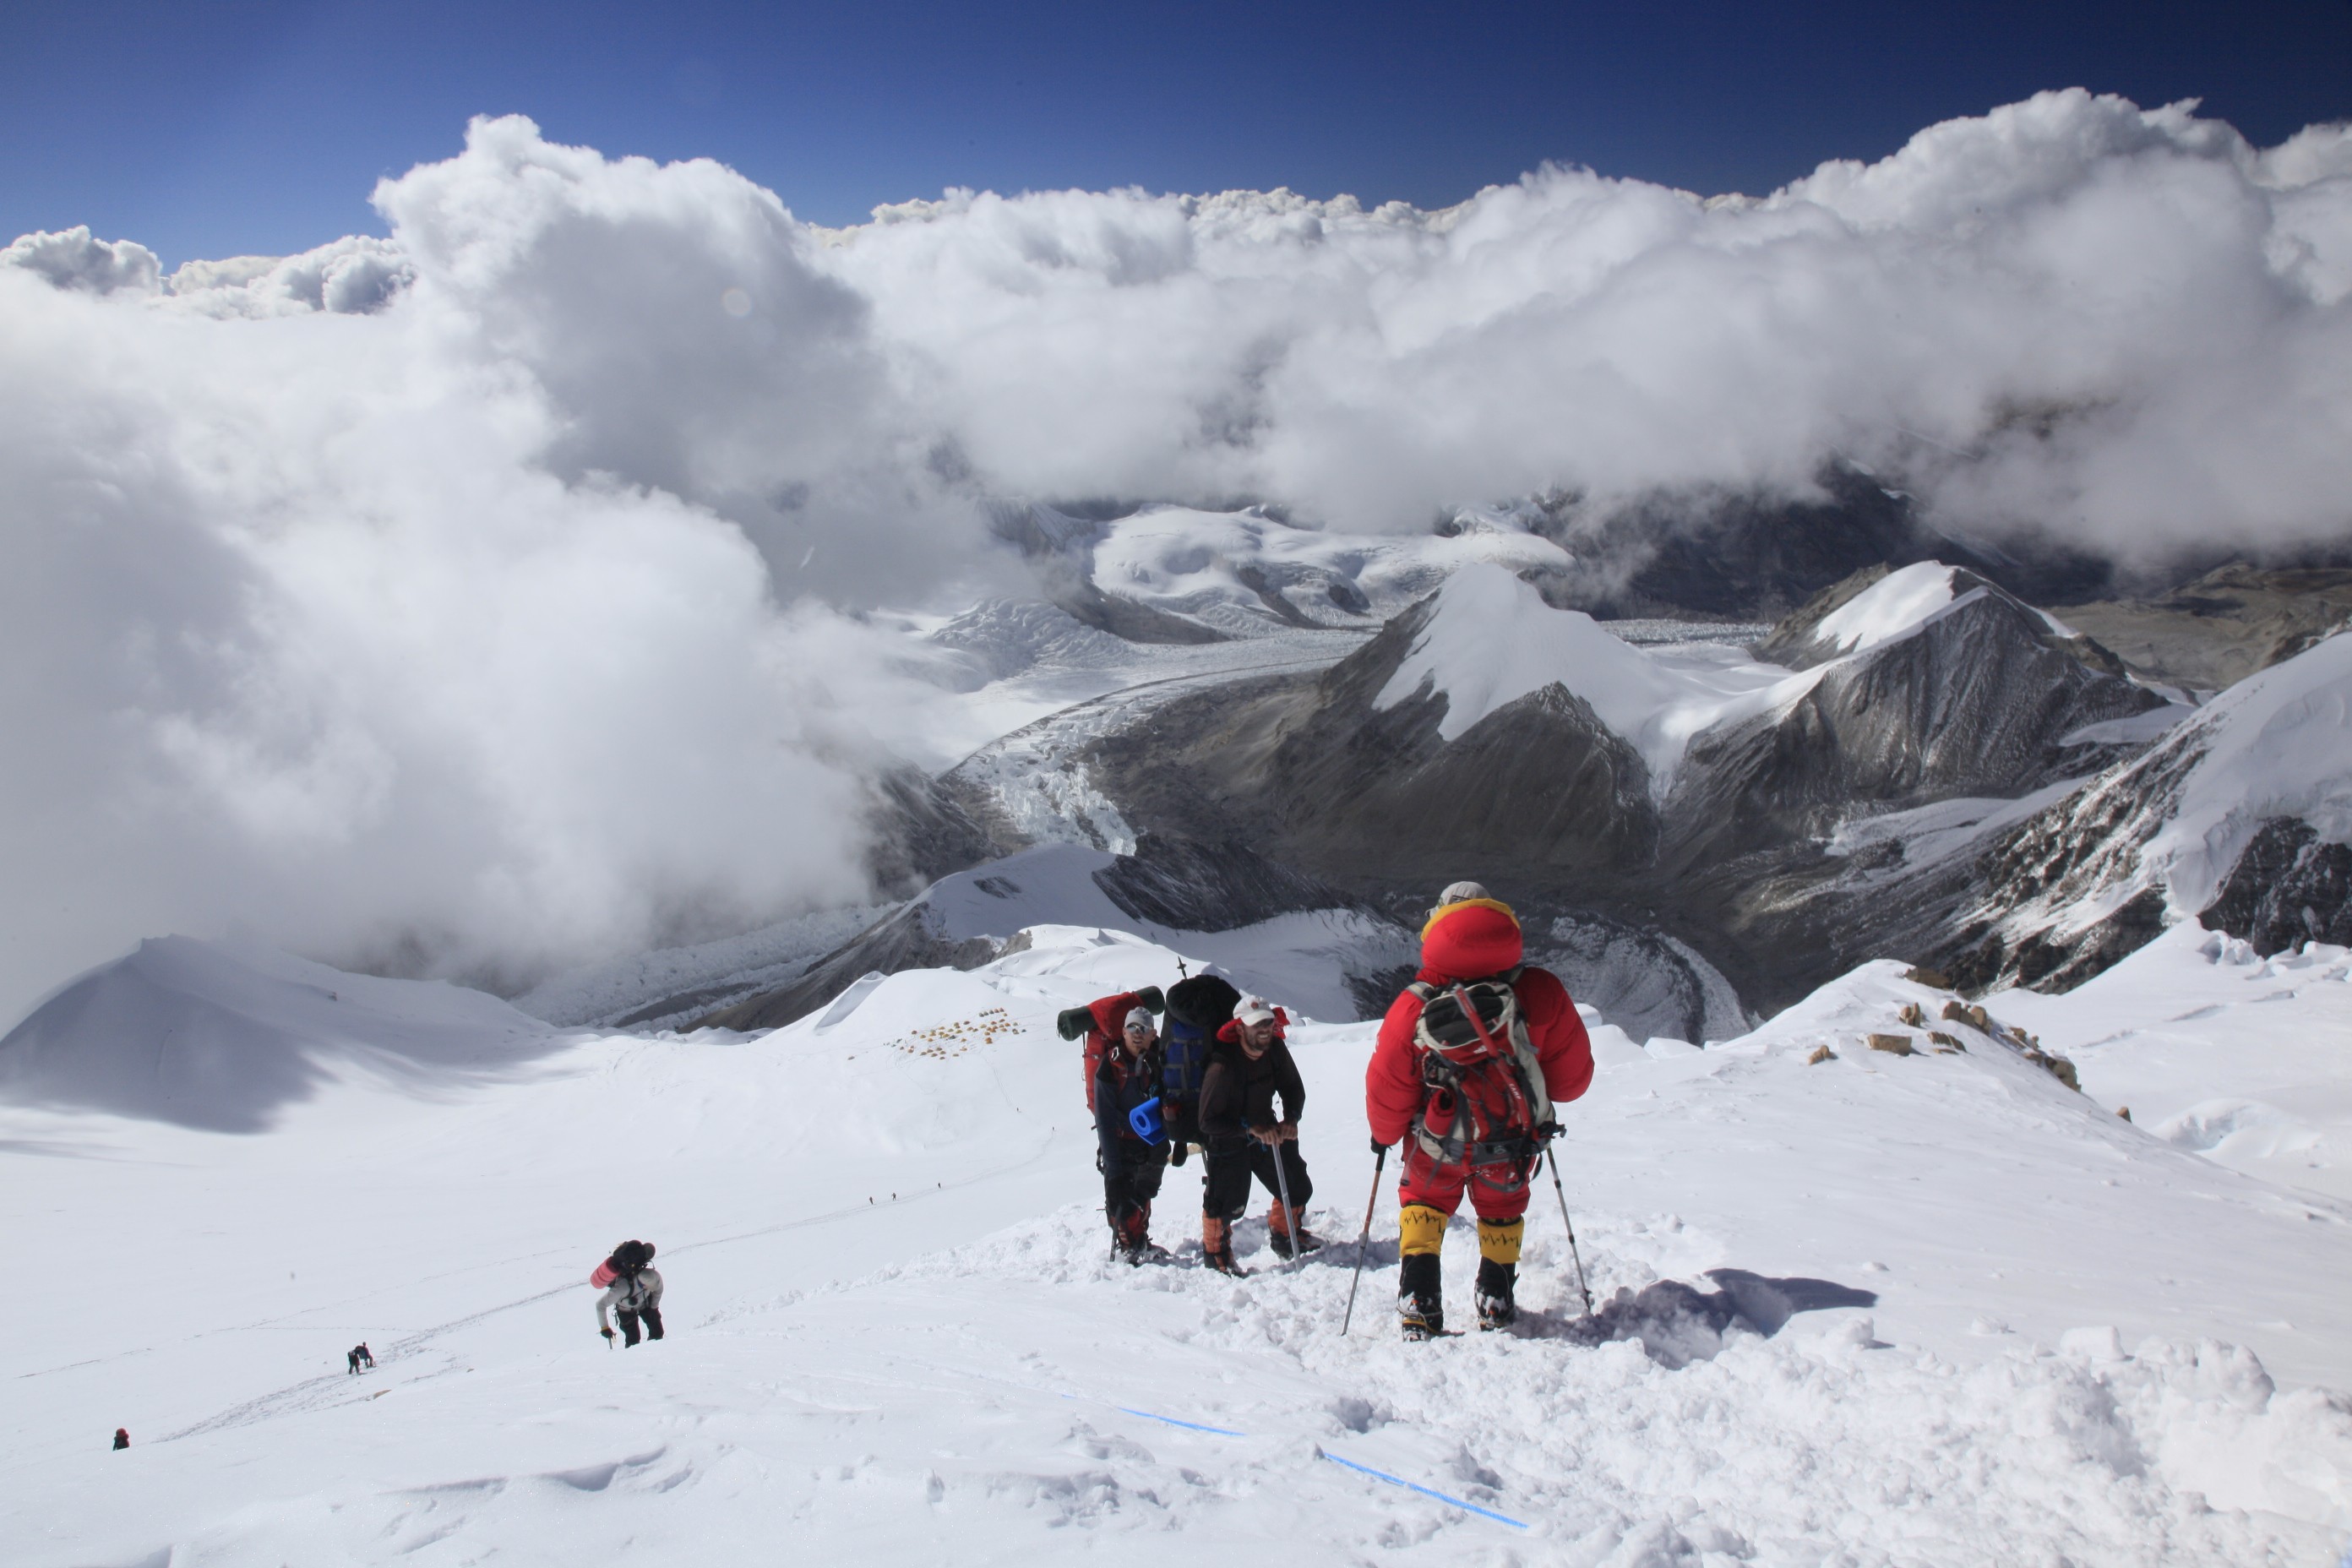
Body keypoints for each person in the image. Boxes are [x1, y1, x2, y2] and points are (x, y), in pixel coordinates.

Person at [1366, 882, 1594, 1338]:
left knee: (1425, 1204)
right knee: (1502, 1207)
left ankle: (1420, 1301)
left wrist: (1385, 1134)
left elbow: (1389, 1082)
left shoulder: (1416, 1002)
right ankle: (1496, 1297)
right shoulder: (1541, 991)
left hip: (1437, 1140)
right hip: (1510, 1142)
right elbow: (1572, 1083)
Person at [1197, 994, 1319, 1274]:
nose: (1264, 1028)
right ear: (1239, 1028)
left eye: (1267, 1022)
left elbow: (1292, 1087)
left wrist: (1291, 1119)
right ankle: (1216, 1254)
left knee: (1296, 1184)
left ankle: (1286, 1235)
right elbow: (1207, 1121)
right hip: (1227, 1139)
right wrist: (1248, 1129)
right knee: (1227, 1202)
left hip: (1266, 1130)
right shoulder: (1222, 1067)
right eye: (1256, 1024)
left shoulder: (1274, 1049)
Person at [1095, 1006, 1173, 1263]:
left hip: (1153, 1141)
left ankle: (1137, 1243)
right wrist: (1114, 1168)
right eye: (1132, 1027)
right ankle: (1130, 1246)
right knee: (1120, 1197)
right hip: (1120, 1142)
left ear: (1153, 1034)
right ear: (1123, 1032)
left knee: (1144, 1191)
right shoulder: (1110, 1066)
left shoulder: (1159, 1061)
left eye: (1143, 1029)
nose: (1137, 1034)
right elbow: (1104, 1120)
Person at [592, 1240, 665, 1346]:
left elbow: (658, 1291)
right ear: (643, 1284)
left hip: (645, 1304)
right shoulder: (622, 1288)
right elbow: (600, 1305)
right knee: (633, 1341)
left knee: (658, 1333)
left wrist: (654, 1307)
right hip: (625, 1310)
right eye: (649, 1288)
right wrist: (605, 1327)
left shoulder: (655, 1277)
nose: (652, 1289)